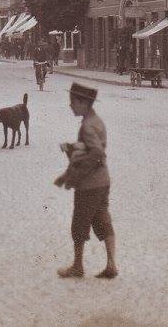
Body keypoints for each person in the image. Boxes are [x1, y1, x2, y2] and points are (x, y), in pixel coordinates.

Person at [54, 82, 117, 280]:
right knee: (103, 219)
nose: (70, 106)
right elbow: (93, 148)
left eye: (73, 102)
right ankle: (111, 264)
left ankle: (78, 266)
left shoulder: (87, 125)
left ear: (83, 103)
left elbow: (96, 152)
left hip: (89, 184)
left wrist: (78, 173)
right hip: (103, 181)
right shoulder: (97, 121)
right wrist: (73, 147)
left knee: (79, 223)